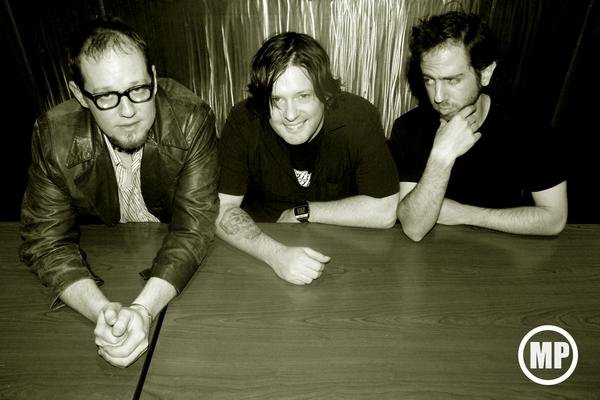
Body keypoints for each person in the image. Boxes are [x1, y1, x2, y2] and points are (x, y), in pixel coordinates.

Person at [19, 16, 219, 367]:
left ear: (153, 78)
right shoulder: (53, 136)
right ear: (80, 95)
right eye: (106, 96)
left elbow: (193, 228)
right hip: (110, 262)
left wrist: (143, 310)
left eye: (138, 89)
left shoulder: (191, 118)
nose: (128, 111)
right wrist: (103, 313)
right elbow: (45, 241)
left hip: (174, 275)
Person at [217, 32, 399, 285]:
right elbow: (221, 209)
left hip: (344, 254)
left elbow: (386, 211)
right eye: (276, 100)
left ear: (325, 94)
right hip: (261, 253)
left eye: (303, 96)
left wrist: (303, 212)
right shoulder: (244, 121)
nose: (290, 115)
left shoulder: (357, 118)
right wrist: (276, 255)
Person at [388, 11, 567, 241]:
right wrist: (441, 158)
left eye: (452, 80)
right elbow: (413, 228)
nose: (438, 96)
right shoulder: (409, 128)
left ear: (485, 73)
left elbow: (554, 219)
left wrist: (464, 214)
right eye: (429, 80)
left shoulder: (528, 128)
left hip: (506, 254)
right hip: (431, 257)